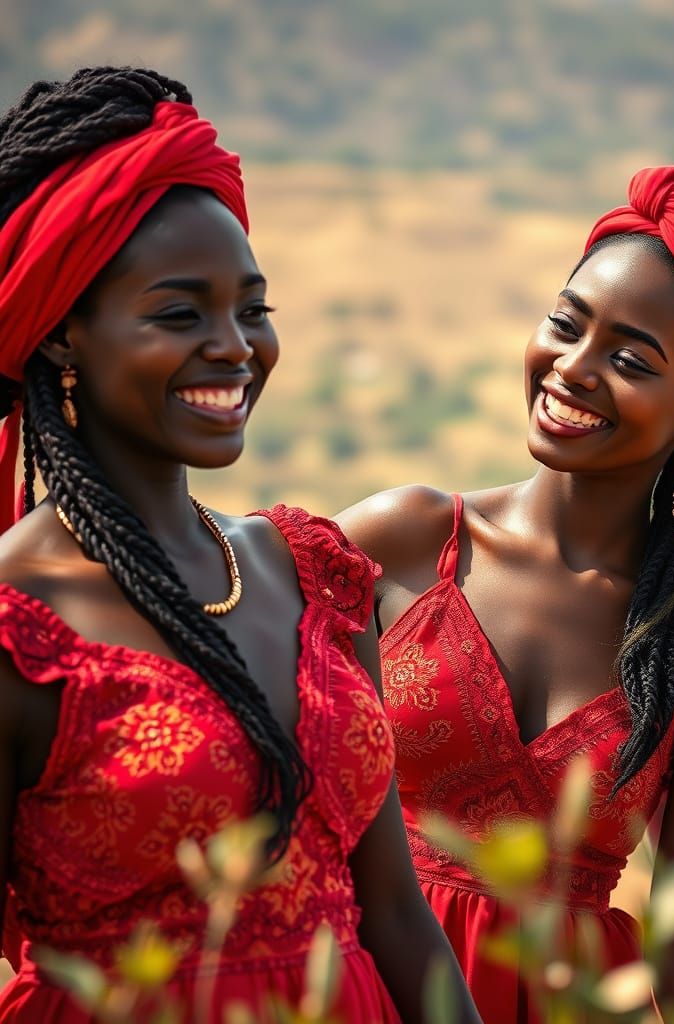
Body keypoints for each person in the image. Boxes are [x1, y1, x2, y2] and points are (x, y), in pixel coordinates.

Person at [0, 67, 479, 1023]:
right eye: (180, 314)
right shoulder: (19, 631)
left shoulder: (311, 574)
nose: (234, 346)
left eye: (251, 309)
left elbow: (393, 911)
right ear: (61, 337)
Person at [338, 166, 674, 1023]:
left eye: (628, 359)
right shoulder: (405, 539)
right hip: (362, 993)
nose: (572, 368)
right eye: (565, 325)